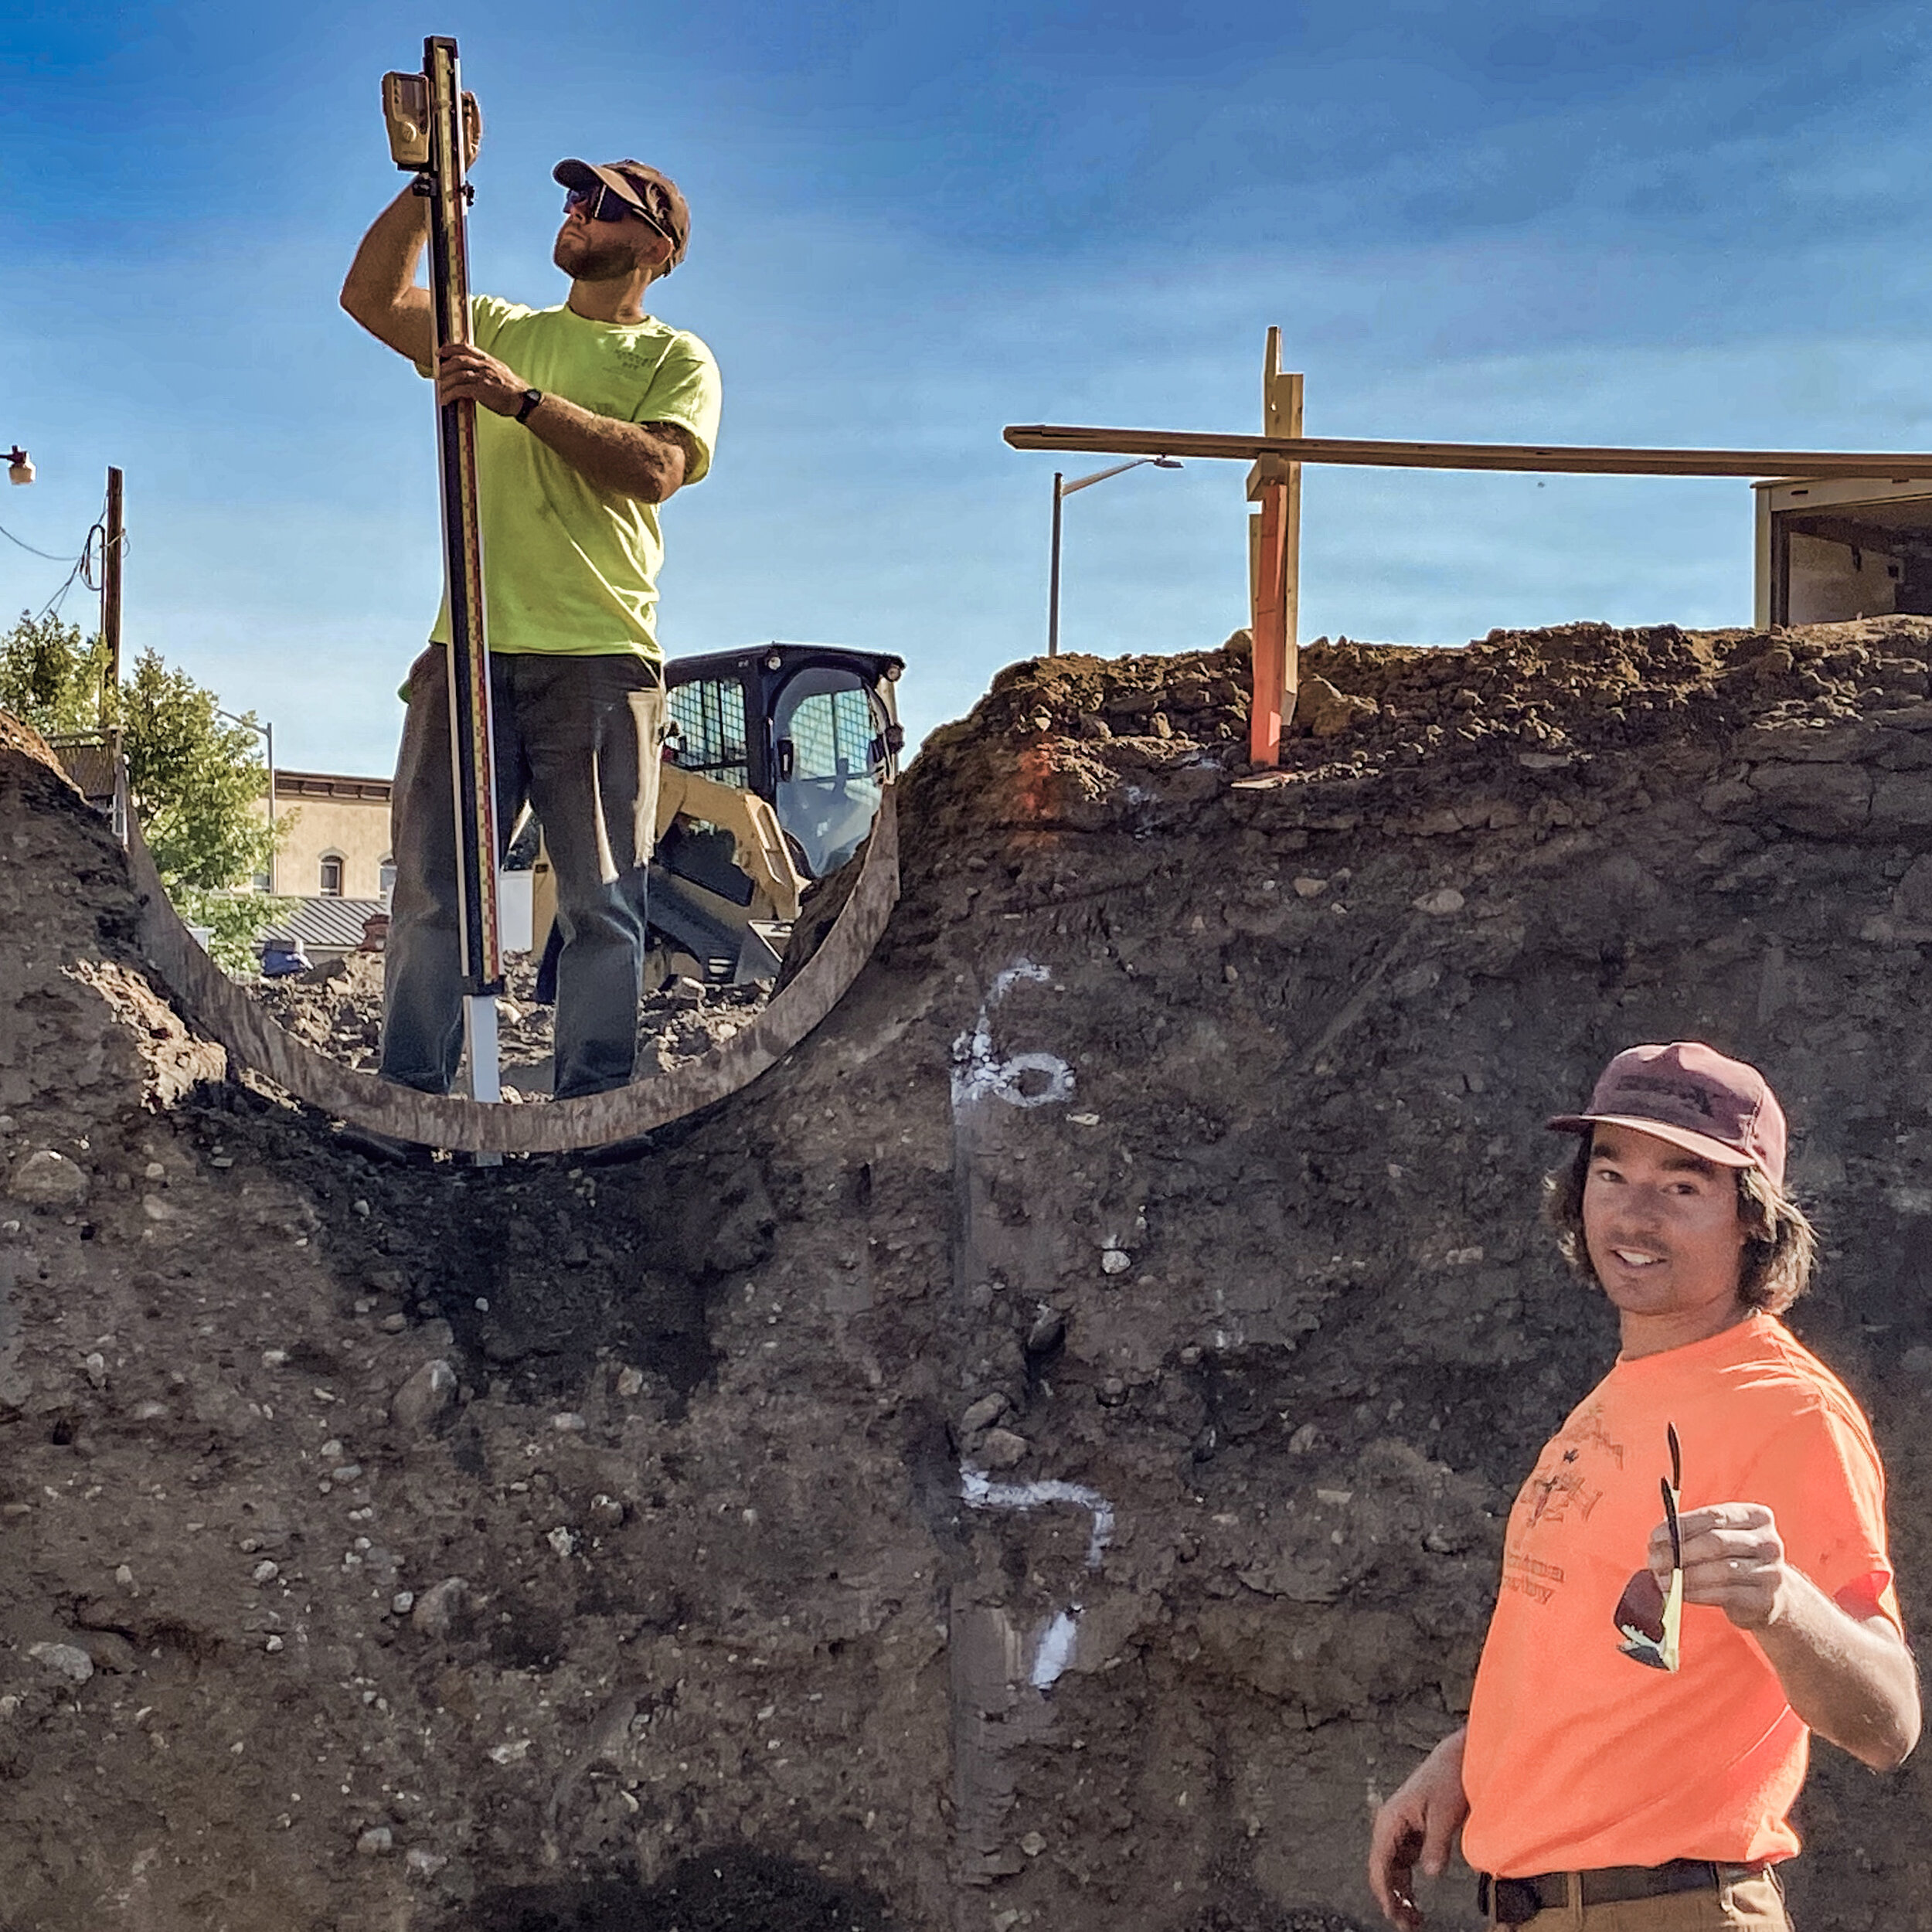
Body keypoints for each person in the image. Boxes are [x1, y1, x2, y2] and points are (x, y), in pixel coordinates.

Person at [1367, 1041, 1918, 1932]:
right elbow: (1612, 1661)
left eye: (1683, 1185)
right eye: (1611, 1173)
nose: (1635, 1213)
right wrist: (1470, 1763)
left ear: (1755, 1219)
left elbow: (1888, 1722)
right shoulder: (1627, 1389)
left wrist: (1779, 1600)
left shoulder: (1785, 1410)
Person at [341, 129, 721, 1098]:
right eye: (572, 200)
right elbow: (373, 300)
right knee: (434, 896)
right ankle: (409, 1104)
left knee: (600, 903)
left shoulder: (674, 355)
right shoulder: (499, 323)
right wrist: (433, 189)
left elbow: (654, 468)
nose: (575, 213)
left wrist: (523, 403)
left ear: (654, 248)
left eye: (601, 206)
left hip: (599, 658)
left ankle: (589, 1115)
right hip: (463, 649)